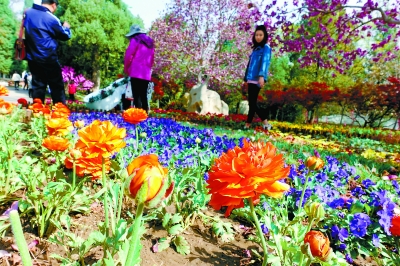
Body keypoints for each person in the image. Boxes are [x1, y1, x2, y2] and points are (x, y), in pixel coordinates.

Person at [24, 0, 71, 104]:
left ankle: (38, 111)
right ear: (54, 5)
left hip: (32, 57)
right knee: (56, 86)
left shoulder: (28, 13)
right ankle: (60, 113)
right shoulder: (51, 18)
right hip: (48, 58)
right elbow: (64, 35)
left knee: (38, 86)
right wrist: (67, 28)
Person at [243, 24, 273, 130]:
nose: (258, 37)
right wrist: (246, 78)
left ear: (264, 36)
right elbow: (249, 64)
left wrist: (262, 76)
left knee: (252, 102)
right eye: (257, 35)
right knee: (252, 102)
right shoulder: (255, 49)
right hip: (251, 78)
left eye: (261, 35)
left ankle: (265, 122)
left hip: (257, 78)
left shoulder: (266, 48)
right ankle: (248, 124)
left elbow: (265, 63)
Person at [123, 25, 155, 113]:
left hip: (135, 71)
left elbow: (129, 55)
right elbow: (152, 59)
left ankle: (138, 116)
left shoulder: (135, 40)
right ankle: (145, 115)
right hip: (146, 74)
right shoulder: (150, 43)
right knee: (143, 95)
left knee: (136, 96)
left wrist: (126, 68)